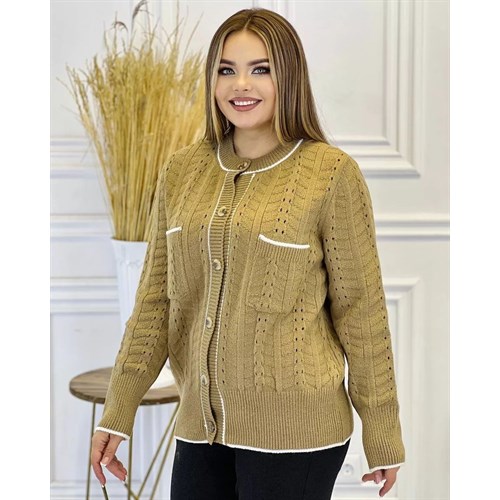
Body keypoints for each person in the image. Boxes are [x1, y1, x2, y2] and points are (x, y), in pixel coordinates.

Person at [90, 7, 405, 500]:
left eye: (261, 69)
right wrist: (118, 412)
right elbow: (155, 302)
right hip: (201, 426)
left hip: (297, 433)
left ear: (289, 77)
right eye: (226, 69)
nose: (241, 85)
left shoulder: (331, 174)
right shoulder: (181, 171)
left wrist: (382, 431)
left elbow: (361, 311)